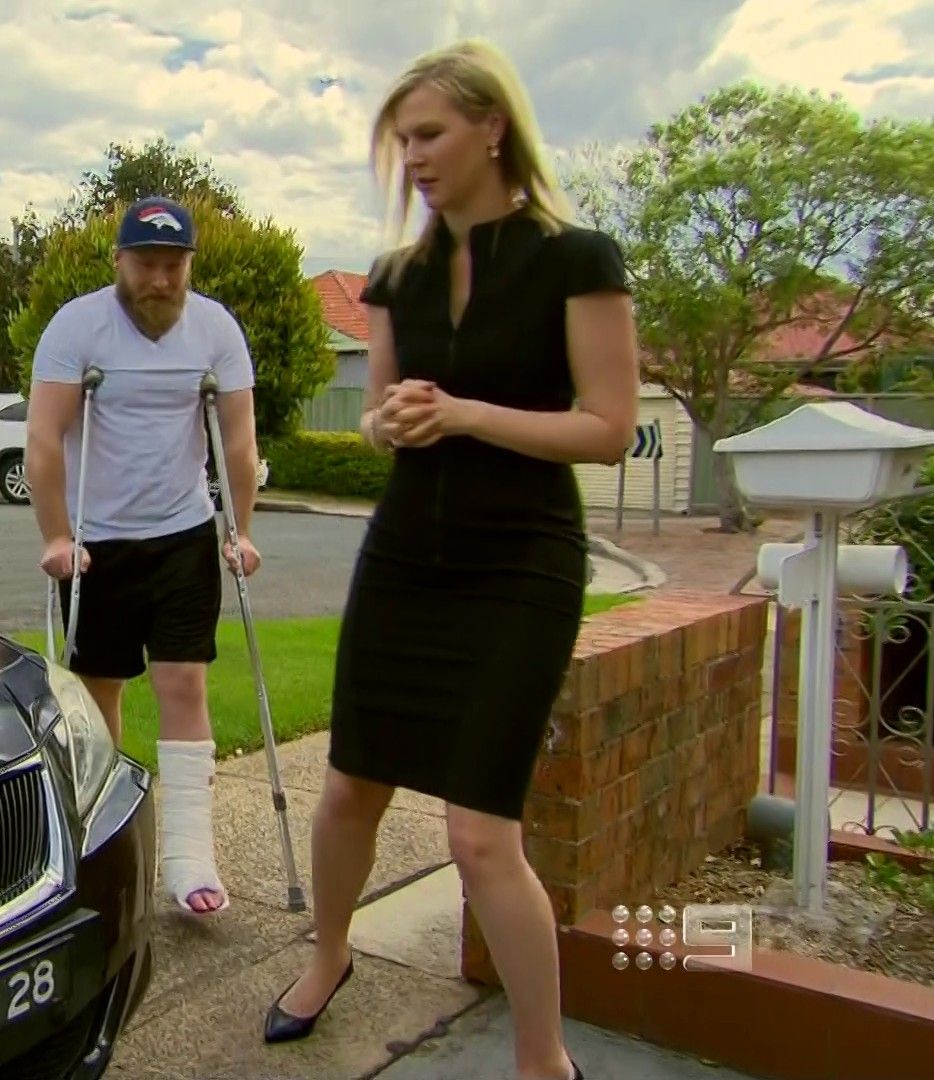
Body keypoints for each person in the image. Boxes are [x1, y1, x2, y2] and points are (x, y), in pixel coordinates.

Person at [259, 39, 637, 1080]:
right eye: (402, 141)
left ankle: (542, 1057)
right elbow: (381, 416)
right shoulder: (396, 277)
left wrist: (467, 413)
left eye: (429, 134)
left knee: (479, 834)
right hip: (404, 558)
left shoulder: (577, 260)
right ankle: (329, 956)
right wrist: (389, 420)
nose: (413, 156)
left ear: (492, 128)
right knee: (351, 789)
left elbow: (608, 427)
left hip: (522, 565)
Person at [25, 194, 261, 917]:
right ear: (119, 261)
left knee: (183, 684)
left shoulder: (215, 330)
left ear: (189, 265)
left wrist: (241, 529)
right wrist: (56, 536)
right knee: (99, 696)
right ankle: (108, 846)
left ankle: (189, 857)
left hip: (184, 533)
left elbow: (239, 442)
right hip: (97, 544)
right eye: (146, 264)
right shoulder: (77, 327)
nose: (160, 280)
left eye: (173, 266)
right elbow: (43, 439)